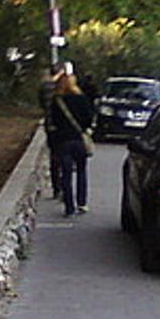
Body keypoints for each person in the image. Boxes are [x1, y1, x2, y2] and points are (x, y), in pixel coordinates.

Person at [48, 74, 95, 216]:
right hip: (78, 139)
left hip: (63, 141)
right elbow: (89, 118)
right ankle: (82, 203)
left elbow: (53, 122)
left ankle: (69, 206)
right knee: (81, 171)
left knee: (66, 174)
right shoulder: (82, 99)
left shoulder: (57, 101)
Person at [38, 63, 65, 198]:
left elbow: (42, 104)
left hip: (50, 124)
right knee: (65, 157)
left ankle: (56, 188)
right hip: (63, 127)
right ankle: (65, 186)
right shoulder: (63, 87)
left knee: (54, 156)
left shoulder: (44, 87)